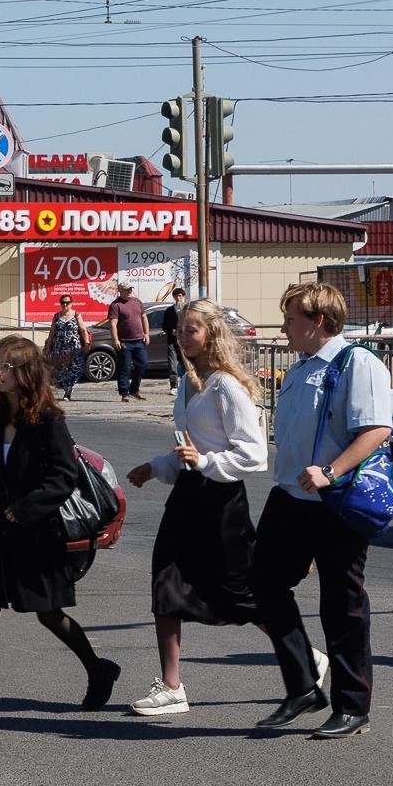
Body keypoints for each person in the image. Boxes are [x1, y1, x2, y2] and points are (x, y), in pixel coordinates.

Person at [250, 282, 393, 740]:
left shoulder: (357, 363)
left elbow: (376, 429)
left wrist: (331, 470)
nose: (285, 326)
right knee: (263, 584)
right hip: (291, 496)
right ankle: (303, 688)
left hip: (334, 499)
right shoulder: (299, 368)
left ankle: (353, 707)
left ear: (318, 321)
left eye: (291, 318)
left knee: (341, 602)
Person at [0, 336, 119, 723]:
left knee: (48, 613)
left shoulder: (49, 420)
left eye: (6, 367)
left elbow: (63, 476)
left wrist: (24, 510)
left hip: (38, 533)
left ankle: (98, 668)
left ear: (25, 373)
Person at [124, 300, 269, 715]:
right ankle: (171, 686)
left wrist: (203, 463)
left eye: (192, 330)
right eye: (180, 330)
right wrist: (156, 467)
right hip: (188, 495)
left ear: (211, 334)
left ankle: (300, 654)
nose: (182, 336)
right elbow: (189, 450)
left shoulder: (226, 385)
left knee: (237, 592)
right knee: (166, 579)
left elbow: (253, 454)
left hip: (222, 502)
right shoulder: (188, 382)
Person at [105, 281, 149, 402]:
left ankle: (134, 389)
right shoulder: (116, 305)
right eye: (127, 289)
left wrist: (146, 334)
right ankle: (124, 392)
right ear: (120, 291)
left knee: (143, 364)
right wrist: (116, 340)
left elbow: (144, 317)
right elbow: (113, 324)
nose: (129, 291)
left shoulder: (137, 302)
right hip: (125, 342)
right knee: (125, 368)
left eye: (130, 289)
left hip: (139, 341)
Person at [45, 294, 86, 400]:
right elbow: (52, 332)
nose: (65, 305)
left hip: (74, 347)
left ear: (71, 304)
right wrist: (48, 347)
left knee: (74, 369)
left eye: (67, 302)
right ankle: (66, 389)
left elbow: (83, 330)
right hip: (59, 347)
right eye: (63, 302)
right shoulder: (56, 316)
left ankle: (68, 391)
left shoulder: (76, 315)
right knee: (61, 370)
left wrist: (86, 343)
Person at [160, 287, 189, 394]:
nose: (178, 298)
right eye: (176, 296)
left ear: (183, 296)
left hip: (186, 341)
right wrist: (170, 330)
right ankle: (174, 386)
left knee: (187, 363)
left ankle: (187, 384)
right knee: (172, 364)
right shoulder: (169, 311)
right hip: (172, 341)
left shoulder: (188, 310)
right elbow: (164, 326)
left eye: (180, 296)